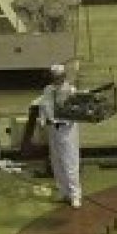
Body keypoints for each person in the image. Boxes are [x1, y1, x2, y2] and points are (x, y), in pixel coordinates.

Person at [36, 63, 82, 208]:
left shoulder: (71, 91)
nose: (56, 80)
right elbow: (43, 106)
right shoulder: (48, 90)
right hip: (53, 129)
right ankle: (63, 191)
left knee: (70, 162)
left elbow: (75, 110)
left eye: (58, 77)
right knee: (56, 162)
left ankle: (75, 195)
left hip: (66, 130)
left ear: (63, 77)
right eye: (54, 77)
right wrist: (43, 120)